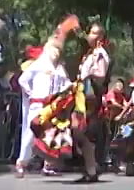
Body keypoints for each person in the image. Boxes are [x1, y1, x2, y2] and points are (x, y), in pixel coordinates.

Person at [32, 18, 111, 183]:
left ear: (102, 36)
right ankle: (91, 168)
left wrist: (85, 79)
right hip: (82, 95)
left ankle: (90, 167)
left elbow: (100, 76)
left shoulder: (100, 54)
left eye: (98, 34)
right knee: (79, 133)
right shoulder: (90, 54)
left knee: (79, 130)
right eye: (92, 33)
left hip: (89, 97)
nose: (94, 37)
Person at [15, 41, 69, 177]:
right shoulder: (38, 64)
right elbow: (22, 80)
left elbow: (66, 84)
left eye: (58, 50)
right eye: (53, 49)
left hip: (52, 107)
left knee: (50, 134)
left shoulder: (60, 69)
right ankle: (21, 162)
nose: (56, 53)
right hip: (37, 105)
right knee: (31, 133)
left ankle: (48, 165)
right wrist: (30, 93)